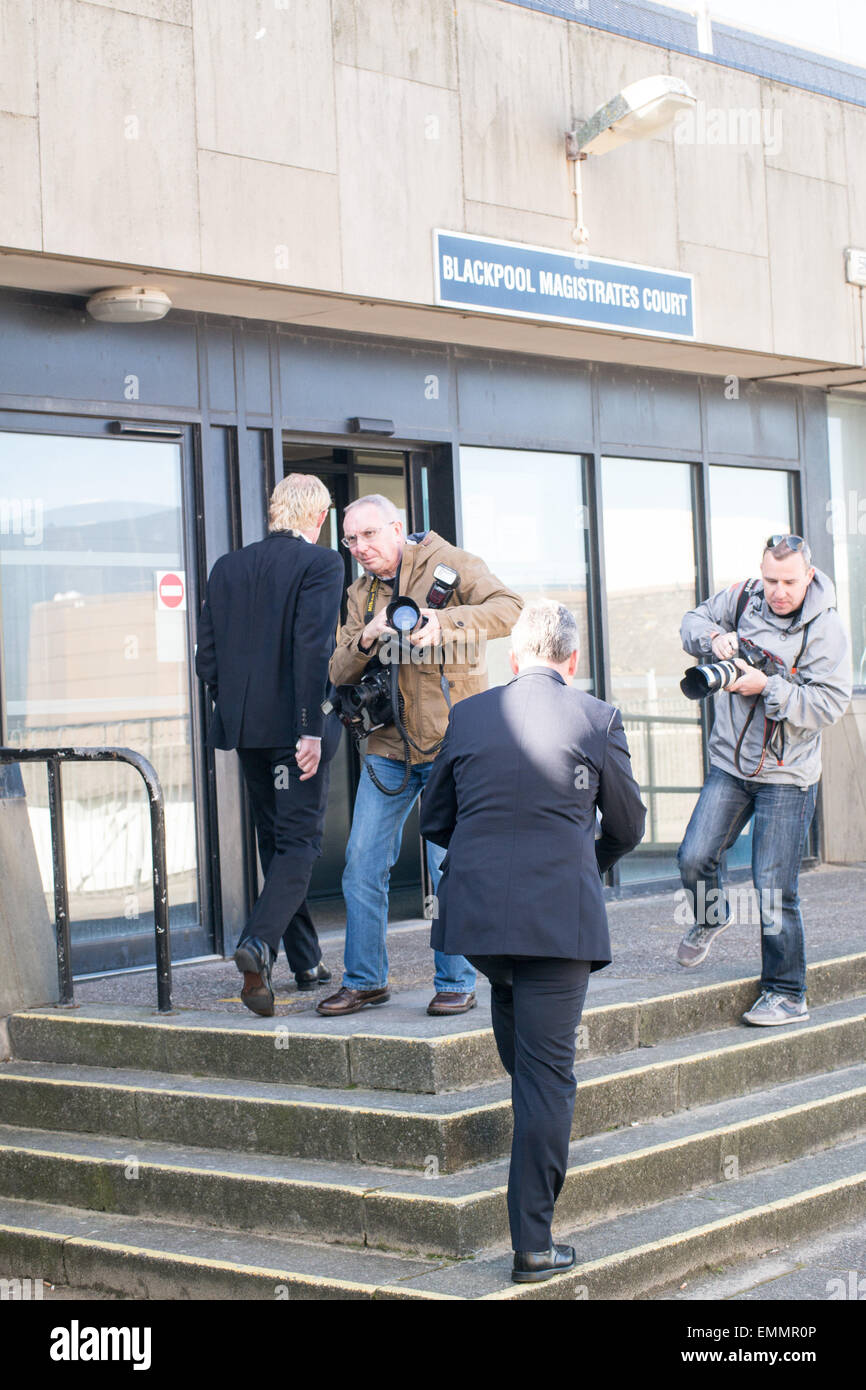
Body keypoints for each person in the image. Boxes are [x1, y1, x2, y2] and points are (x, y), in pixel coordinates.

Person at [420, 600, 646, 1283]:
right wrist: (584, 858)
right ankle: (534, 1246)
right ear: (571, 661)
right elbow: (630, 826)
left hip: (485, 923)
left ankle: (532, 1152)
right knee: (547, 1081)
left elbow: (435, 817)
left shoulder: (471, 714)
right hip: (555, 923)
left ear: (514, 657)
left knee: (527, 1056)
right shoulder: (597, 718)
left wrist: (493, 861)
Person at [316, 495, 523, 1018]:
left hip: (454, 744)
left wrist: (444, 623)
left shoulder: (447, 563)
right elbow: (339, 671)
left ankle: (456, 980)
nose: (360, 549)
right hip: (389, 746)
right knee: (361, 863)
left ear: (396, 528)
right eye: (350, 540)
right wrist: (368, 634)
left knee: (449, 866)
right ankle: (365, 980)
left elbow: (511, 609)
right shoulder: (359, 593)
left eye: (368, 536)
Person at [676, 535, 852, 1025]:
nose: (778, 591)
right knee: (693, 858)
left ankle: (787, 992)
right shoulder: (742, 596)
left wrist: (767, 686)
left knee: (773, 888)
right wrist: (715, 640)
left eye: (789, 582)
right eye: (771, 580)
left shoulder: (826, 628)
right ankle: (711, 915)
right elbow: (691, 621)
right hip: (731, 765)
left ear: (809, 576)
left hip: (787, 776)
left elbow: (830, 705)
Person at [196, 474, 345, 1017]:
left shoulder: (226, 566)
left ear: (274, 510)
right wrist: (309, 728)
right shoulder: (322, 564)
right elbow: (312, 649)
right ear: (319, 517)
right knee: (301, 844)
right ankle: (259, 945)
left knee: (274, 838)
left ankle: (306, 960)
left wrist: (236, 705)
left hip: (246, 733)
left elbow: (206, 659)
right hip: (293, 733)